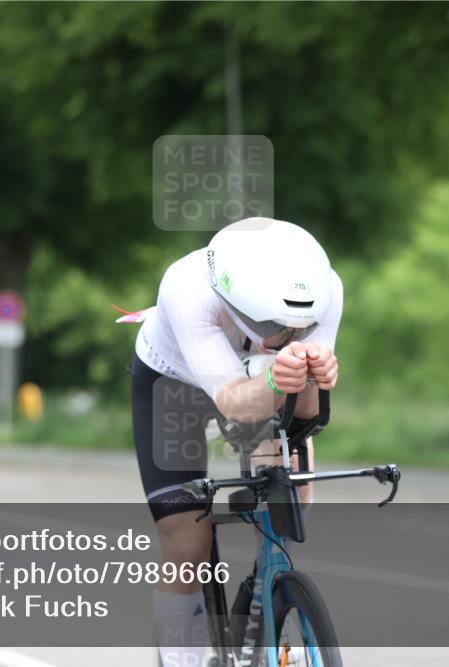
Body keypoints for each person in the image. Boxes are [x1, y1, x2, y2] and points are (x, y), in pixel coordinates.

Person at [130, 217, 342, 665]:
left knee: (293, 497)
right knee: (188, 544)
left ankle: (263, 613)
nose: (288, 337)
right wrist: (279, 376)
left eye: (299, 329)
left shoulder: (325, 290)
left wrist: (313, 378)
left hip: (256, 382)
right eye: (277, 326)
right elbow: (236, 403)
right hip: (175, 383)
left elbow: (305, 413)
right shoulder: (187, 288)